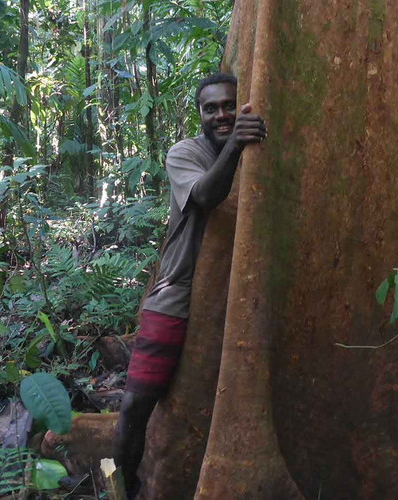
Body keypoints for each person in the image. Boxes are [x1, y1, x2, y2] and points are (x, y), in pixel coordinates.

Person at [111, 73, 267, 498]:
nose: (222, 115)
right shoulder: (185, 153)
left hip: (243, 297)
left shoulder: (261, 148)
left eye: (229, 105)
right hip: (177, 294)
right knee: (134, 404)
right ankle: (122, 487)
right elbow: (204, 196)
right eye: (211, 108)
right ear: (199, 114)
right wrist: (235, 144)